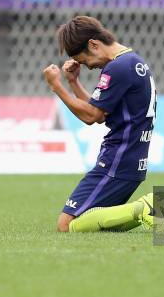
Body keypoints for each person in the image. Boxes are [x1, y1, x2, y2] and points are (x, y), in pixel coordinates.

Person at [42, 16, 157, 232]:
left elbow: (91, 116)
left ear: (93, 44)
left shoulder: (118, 67)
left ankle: (145, 208)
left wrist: (56, 86)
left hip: (116, 160)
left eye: (84, 60)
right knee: (102, 225)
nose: (87, 67)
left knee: (66, 225)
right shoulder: (132, 61)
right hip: (132, 160)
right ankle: (147, 209)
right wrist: (73, 82)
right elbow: (100, 112)